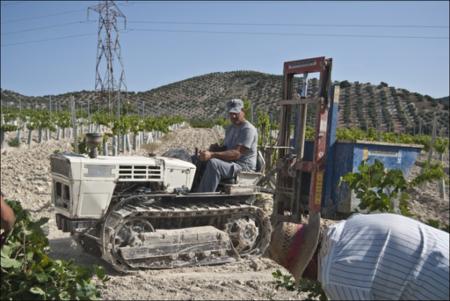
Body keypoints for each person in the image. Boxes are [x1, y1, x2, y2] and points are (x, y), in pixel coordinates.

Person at [269, 213, 449, 300]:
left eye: (305, 274)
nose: (311, 280)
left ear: (308, 264)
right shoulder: (351, 225)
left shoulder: (335, 275)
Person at [195, 98, 258, 192]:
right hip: (231, 162)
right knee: (198, 159)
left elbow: (236, 153)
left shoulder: (248, 129)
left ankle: (203, 196)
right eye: (231, 113)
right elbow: (226, 148)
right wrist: (213, 150)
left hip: (243, 166)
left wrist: (212, 154)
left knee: (214, 164)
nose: (233, 116)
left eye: (235, 113)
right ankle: (192, 189)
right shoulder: (231, 128)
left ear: (243, 111)